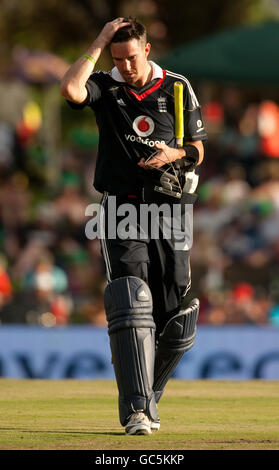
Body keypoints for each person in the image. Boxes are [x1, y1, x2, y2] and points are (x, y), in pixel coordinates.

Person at [61, 17, 207, 435]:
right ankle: (136, 412)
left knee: (174, 315)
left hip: (170, 209)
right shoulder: (105, 85)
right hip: (121, 208)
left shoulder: (176, 86)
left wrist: (174, 156)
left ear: (146, 49)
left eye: (131, 56)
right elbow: (71, 90)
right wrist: (100, 39)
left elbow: (198, 146)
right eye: (117, 57)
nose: (125, 65)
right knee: (130, 298)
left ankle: (147, 397)